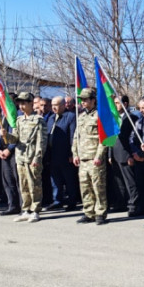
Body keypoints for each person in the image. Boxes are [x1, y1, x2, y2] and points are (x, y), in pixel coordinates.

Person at [5, 92, 46, 223]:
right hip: (20, 157)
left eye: (24, 103)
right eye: (20, 103)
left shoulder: (38, 119)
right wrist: (6, 135)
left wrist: (37, 158)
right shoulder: (19, 120)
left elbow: (41, 141)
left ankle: (35, 210)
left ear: (30, 103)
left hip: (32, 157)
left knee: (34, 185)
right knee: (23, 185)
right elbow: (15, 139)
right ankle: (26, 210)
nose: (21, 106)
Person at [72, 88, 108, 225]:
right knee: (85, 187)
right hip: (83, 158)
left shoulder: (100, 116)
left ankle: (100, 213)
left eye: (86, 99)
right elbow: (76, 137)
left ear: (93, 100)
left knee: (98, 187)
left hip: (94, 158)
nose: (83, 102)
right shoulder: (81, 117)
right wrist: (75, 154)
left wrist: (99, 156)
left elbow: (103, 139)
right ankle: (89, 212)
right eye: (81, 100)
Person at [46, 96, 78, 211]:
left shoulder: (70, 117)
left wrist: (72, 153)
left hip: (65, 154)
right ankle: (57, 200)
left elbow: (72, 135)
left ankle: (72, 201)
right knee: (55, 179)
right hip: (52, 153)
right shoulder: (51, 118)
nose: (54, 107)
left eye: (57, 105)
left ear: (64, 105)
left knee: (69, 179)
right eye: (53, 105)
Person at [0, 99, 21, 218]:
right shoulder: (1, 115)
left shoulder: (17, 116)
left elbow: (18, 135)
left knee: (18, 180)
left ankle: (22, 206)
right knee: (7, 180)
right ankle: (12, 205)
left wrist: (9, 149)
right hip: (2, 152)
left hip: (14, 152)